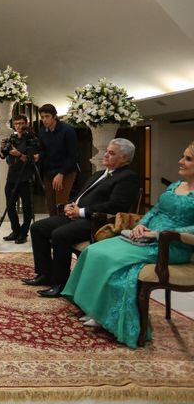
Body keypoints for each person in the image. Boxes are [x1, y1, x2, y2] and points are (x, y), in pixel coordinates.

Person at [62, 142, 194, 348]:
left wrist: (158, 234)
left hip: (170, 245)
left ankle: (106, 315)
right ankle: (92, 306)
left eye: (188, 158)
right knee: (94, 250)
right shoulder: (175, 186)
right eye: (183, 156)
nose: (181, 161)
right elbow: (156, 211)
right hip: (145, 236)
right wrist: (141, 225)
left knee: (112, 260)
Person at [22, 138, 139, 297]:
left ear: (125, 158)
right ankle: (45, 274)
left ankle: (60, 283)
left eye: (111, 153)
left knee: (59, 235)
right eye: (107, 151)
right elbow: (82, 196)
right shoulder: (100, 173)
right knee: (37, 228)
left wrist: (82, 211)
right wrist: (70, 205)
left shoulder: (127, 177)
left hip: (97, 222)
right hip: (77, 215)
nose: (105, 155)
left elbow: (115, 206)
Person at [0, 114, 40, 244]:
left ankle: (23, 233)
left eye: (22, 123)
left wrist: (19, 154)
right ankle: (15, 230)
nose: (19, 126)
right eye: (16, 123)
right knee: (10, 205)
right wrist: (2, 148)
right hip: (12, 176)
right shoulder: (12, 138)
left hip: (26, 177)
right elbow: (2, 156)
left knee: (27, 207)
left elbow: (32, 160)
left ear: (26, 123)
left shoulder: (31, 140)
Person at [38, 103, 79, 216]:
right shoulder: (42, 131)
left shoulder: (67, 130)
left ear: (54, 116)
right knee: (50, 204)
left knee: (61, 203)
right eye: (42, 117)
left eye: (47, 116)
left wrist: (61, 174)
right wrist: (38, 156)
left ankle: (62, 229)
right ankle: (51, 229)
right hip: (49, 170)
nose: (44, 120)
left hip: (66, 170)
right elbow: (43, 150)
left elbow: (73, 156)